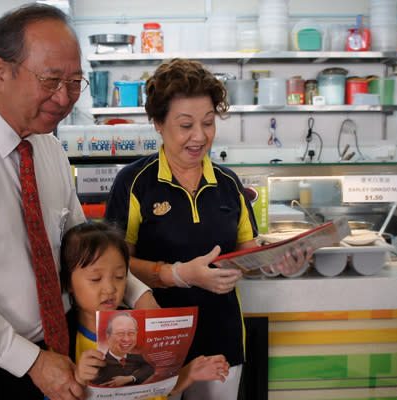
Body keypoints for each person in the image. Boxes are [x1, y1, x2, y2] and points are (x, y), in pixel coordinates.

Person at [0, 4, 156, 400]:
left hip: (50, 351)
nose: (65, 97)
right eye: (51, 80)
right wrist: (30, 361)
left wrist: (140, 295)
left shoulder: (48, 149)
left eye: (74, 82)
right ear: (1, 71)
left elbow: (85, 249)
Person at [104, 58, 312, 399]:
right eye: (185, 125)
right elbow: (115, 267)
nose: (200, 137)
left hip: (221, 340)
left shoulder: (229, 183)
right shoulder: (134, 182)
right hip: (155, 345)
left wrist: (277, 263)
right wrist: (179, 274)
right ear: (157, 122)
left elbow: (247, 256)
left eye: (208, 122)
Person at [59, 222, 230, 398]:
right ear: (67, 282)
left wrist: (189, 373)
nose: (110, 288)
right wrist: (78, 378)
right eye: (96, 278)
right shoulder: (62, 337)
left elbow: (155, 387)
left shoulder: (144, 328)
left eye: (119, 277)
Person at [91, 312, 154, 386]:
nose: (126, 339)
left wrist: (130, 378)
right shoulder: (99, 363)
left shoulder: (137, 357)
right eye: (120, 333)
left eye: (131, 333)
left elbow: (149, 368)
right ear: (108, 336)